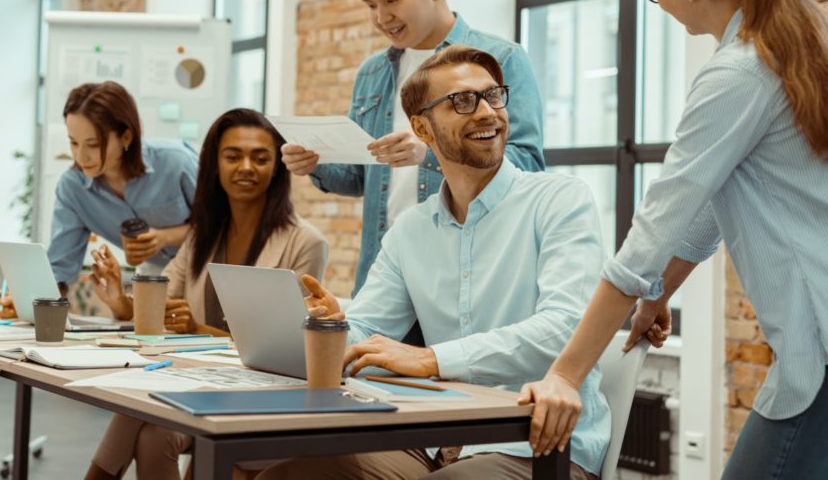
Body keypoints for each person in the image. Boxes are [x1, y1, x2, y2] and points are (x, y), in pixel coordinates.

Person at [520, 0, 828, 479]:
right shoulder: (790, 47)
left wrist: (565, 373)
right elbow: (709, 210)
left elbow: (653, 229)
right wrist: (658, 295)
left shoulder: (737, 73)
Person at [258, 46, 608, 480]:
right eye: (463, 101)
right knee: (285, 475)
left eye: (493, 96)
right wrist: (336, 327)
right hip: (432, 444)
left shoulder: (560, 200)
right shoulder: (411, 229)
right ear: (421, 127)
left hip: (535, 447)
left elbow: (565, 328)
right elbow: (369, 329)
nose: (487, 113)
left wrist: (431, 359)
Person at [282, 0, 545, 296]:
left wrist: (432, 152)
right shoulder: (373, 72)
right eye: (371, 5)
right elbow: (360, 177)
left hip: (464, 275)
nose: (381, 17)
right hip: (385, 274)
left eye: (392, 0)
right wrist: (316, 162)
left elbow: (528, 166)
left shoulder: (500, 60)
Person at [85, 108, 329, 480]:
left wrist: (199, 329)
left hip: (265, 391)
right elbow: (162, 303)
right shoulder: (202, 235)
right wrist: (119, 299)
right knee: (152, 433)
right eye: (233, 156)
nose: (246, 167)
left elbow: (288, 351)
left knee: (146, 419)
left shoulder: (306, 242)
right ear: (214, 165)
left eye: (260, 158)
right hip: (203, 380)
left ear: (277, 168)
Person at [48, 81, 199, 289]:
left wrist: (165, 237)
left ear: (126, 137)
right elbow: (60, 268)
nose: (80, 156)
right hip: (155, 275)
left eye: (93, 145)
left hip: (208, 267)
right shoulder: (73, 188)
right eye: (73, 142)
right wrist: (29, 300)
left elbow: (223, 225)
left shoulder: (176, 162)